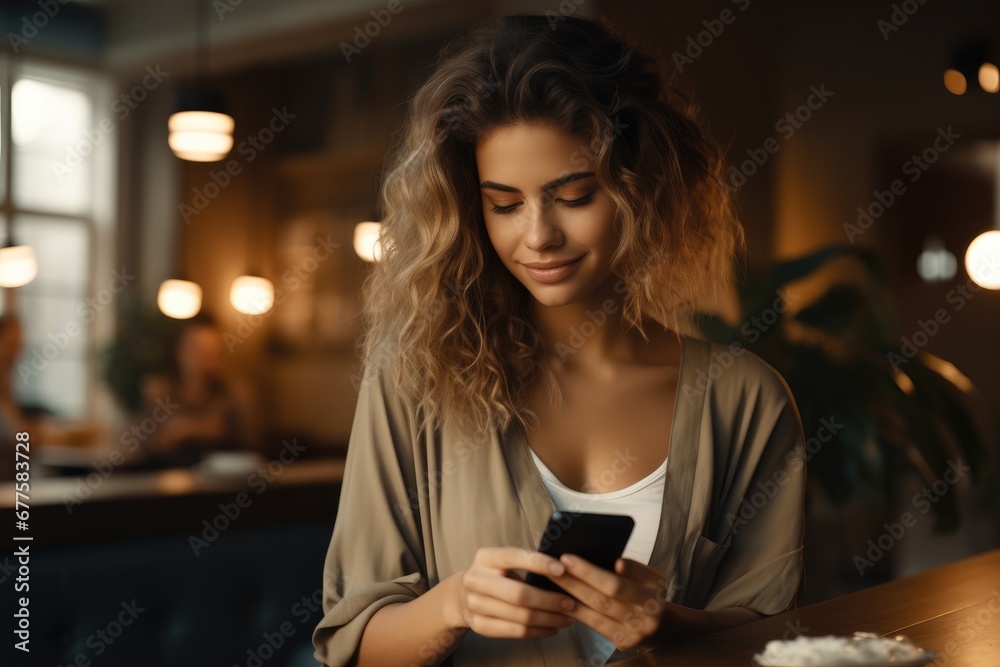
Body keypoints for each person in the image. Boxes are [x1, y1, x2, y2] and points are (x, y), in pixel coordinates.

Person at [312, 14, 806, 667]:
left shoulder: (746, 401)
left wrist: (666, 625)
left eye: (573, 194)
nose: (538, 235)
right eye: (504, 204)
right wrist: (455, 603)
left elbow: (780, 638)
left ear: (641, 189)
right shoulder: (415, 379)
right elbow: (353, 643)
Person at [137, 313, 260, 459]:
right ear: (179, 351)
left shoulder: (233, 393)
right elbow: (146, 446)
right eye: (196, 349)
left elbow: (251, 442)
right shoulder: (159, 391)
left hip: (221, 476)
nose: (203, 358)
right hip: (169, 474)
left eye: (211, 351)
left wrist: (185, 429)